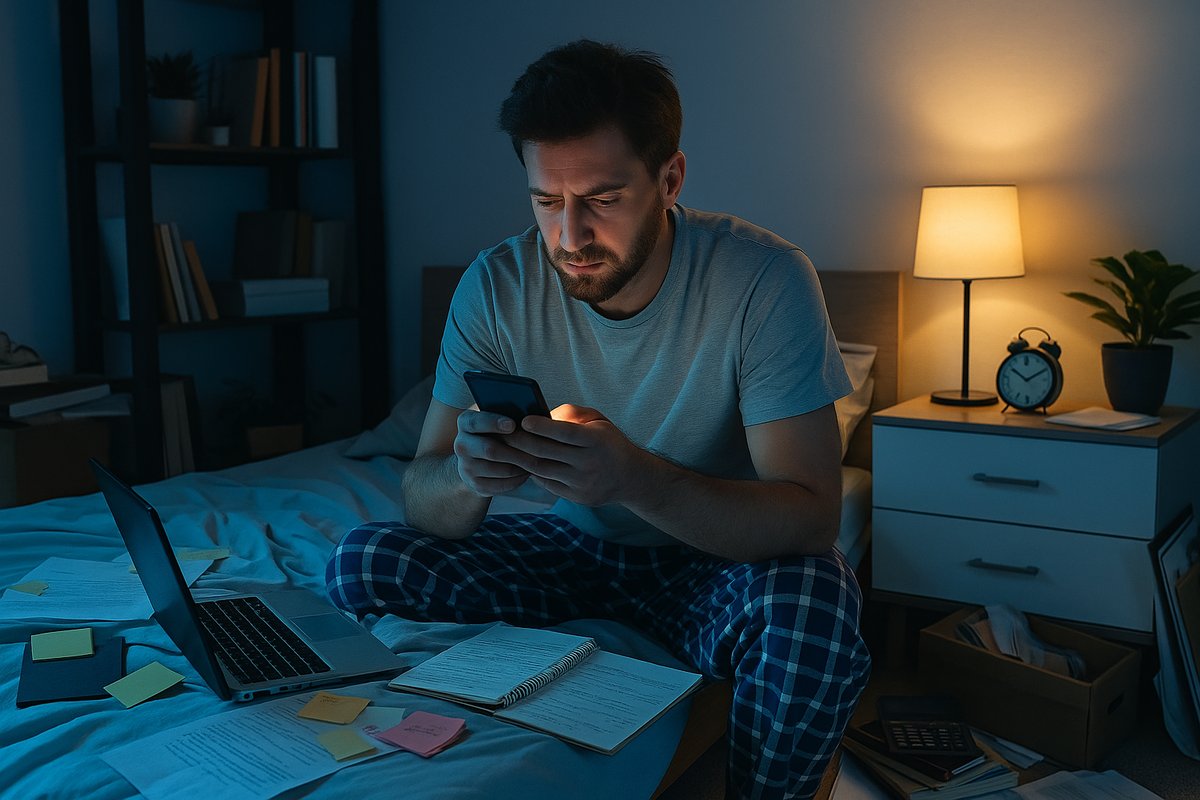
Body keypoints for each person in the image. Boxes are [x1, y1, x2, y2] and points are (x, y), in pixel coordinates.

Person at [327, 39, 870, 800]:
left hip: (717, 563)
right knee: (364, 558)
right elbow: (423, 496)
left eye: (603, 200)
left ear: (669, 179)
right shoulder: (495, 285)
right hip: (572, 553)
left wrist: (636, 480)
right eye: (547, 202)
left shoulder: (764, 280)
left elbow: (812, 518)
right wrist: (468, 476)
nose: (570, 236)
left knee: (816, 603)